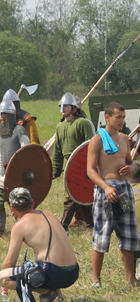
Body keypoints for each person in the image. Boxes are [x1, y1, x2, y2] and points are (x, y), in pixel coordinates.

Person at [0, 187, 80, 302]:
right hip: (73, 272)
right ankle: (55, 291)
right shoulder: (49, 214)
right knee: (43, 257)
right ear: (32, 202)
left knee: (2, 277)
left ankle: (47, 292)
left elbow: (10, 262)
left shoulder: (19, 226)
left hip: (54, 273)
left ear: (12, 207)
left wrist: (5, 277)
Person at [86, 102, 137, 288]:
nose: (122, 121)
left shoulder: (124, 139)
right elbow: (90, 170)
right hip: (105, 191)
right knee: (102, 234)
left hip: (124, 189)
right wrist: (106, 187)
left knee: (128, 235)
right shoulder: (97, 140)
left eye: (123, 117)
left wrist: (130, 169)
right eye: (118, 117)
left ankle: (131, 279)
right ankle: (96, 280)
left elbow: (131, 163)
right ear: (107, 117)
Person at [0, 97, 30, 238]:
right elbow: (1, 153)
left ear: (12, 115)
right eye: (1, 114)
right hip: (3, 173)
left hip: (16, 174)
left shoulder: (20, 130)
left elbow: (26, 151)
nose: (3, 117)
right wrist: (1, 170)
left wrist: (20, 170)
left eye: (5, 114)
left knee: (18, 203)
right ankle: (0, 229)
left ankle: (22, 229)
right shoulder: (1, 132)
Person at [52, 92, 96, 230]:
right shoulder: (60, 126)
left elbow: (91, 146)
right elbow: (57, 150)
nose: (63, 108)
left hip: (83, 165)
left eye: (66, 105)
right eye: (62, 105)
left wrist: (91, 167)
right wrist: (55, 170)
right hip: (69, 164)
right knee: (81, 195)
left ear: (74, 108)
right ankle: (91, 225)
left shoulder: (82, 123)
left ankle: (62, 226)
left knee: (73, 196)